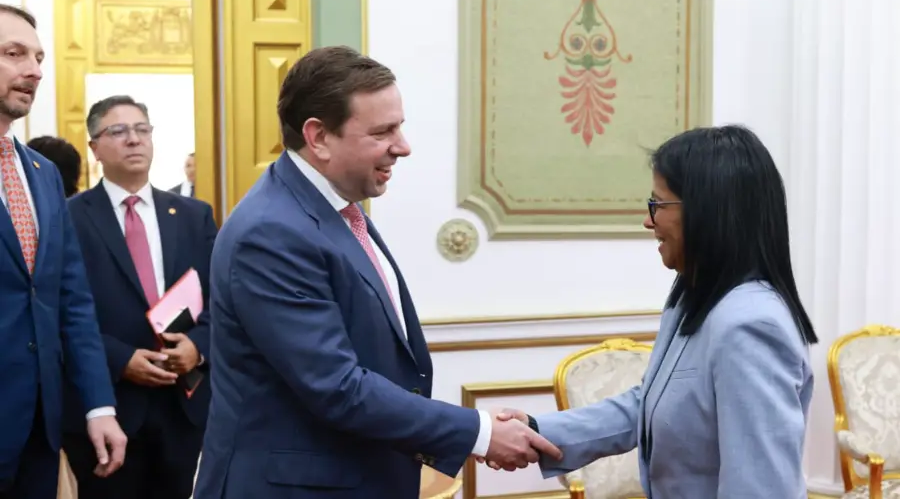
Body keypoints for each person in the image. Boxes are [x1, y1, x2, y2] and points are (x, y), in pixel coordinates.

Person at [192, 45, 561, 499]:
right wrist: (480, 432)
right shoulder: (271, 231)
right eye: (383, 131)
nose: (403, 146)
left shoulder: (334, 209)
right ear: (318, 137)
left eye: (399, 126)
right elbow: (336, 386)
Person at [492, 125, 817, 498]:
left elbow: (761, 488)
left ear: (706, 212)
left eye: (658, 205)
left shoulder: (751, 326)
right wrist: (538, 429)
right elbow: (648, 403)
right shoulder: (694, 300)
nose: (648, 220)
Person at [0, 4, 126, 499]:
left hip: (40, 429)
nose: (34, 70)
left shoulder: (43, 174)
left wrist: (99, 405)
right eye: (14, 53)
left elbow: (71, 300)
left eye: (39, 58)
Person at [63, 95, 216, 499]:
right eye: (118, 131)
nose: (133, 139)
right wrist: (120, 359)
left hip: (183, 405)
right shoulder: (68, 218)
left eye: (141, 129)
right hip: (110, 405)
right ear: (95, 148)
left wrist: (198, 347)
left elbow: (222, 302)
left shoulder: (194, 215)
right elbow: (59, 311)